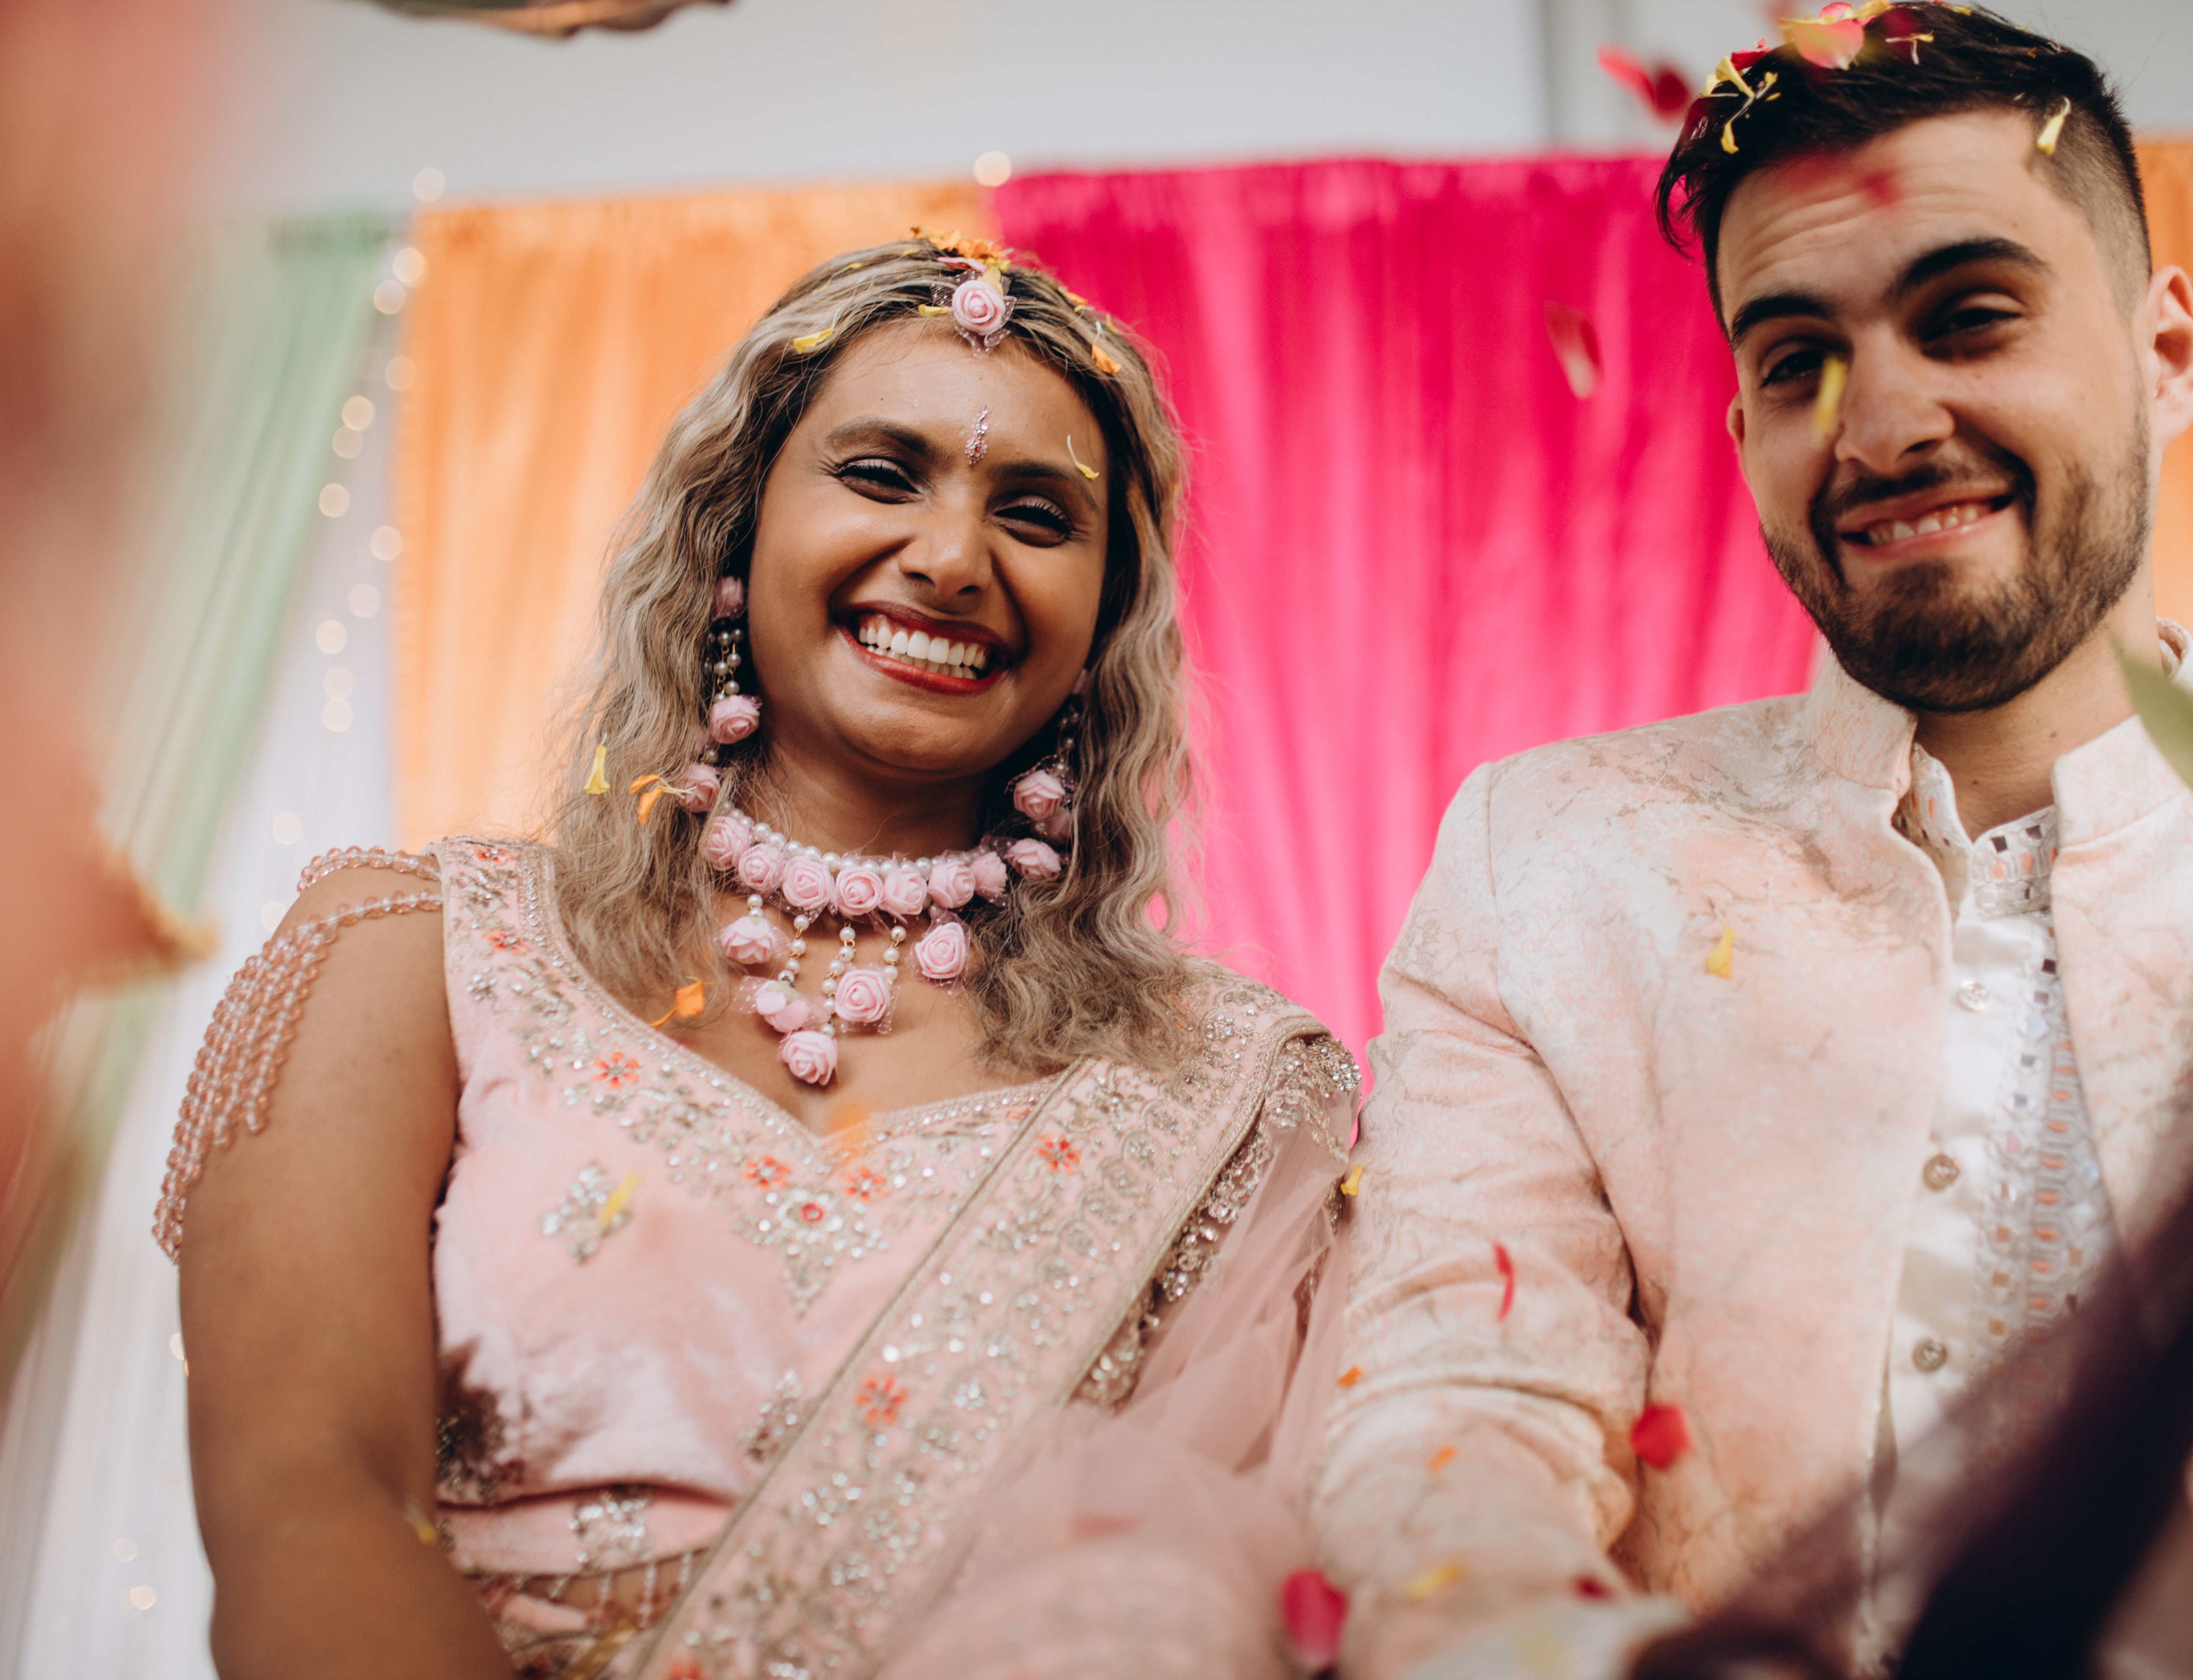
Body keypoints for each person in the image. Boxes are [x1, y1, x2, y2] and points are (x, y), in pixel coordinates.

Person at [1309, 10, 2193, 1679]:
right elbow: (1449, 1418)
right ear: (1741, 432)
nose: (1879, 426)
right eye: (1794, 359)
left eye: (1967, 319)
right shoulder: (1551, 863)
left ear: (2166, 353)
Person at [158, 232, 1358, 1680]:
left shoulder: (1223, 1089)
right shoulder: (417, 952)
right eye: (882, 473)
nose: (951, 559)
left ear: (1106, 621)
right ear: (734, 525)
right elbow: (305, 1495)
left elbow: (1219, 1605)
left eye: (1037, 515)